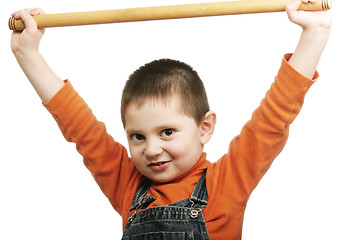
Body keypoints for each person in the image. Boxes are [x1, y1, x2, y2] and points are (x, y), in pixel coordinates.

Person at [11, 0, 331, 238]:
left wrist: (315, 32)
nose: (151, 149)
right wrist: (28, 54)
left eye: (167, 132)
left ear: (204, 128)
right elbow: (80, 127)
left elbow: (273, 118)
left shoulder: (228, 182)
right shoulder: (127, 184)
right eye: (138, 136)